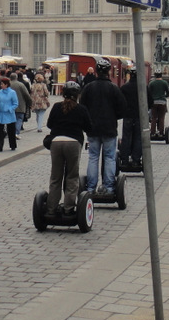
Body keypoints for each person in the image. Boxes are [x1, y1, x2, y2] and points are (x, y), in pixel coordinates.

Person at [79, 57, 127, 194]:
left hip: (93, 128)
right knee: (110, 157)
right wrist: (113, 117)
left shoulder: (88, 88)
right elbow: (123, 109)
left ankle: (91, 188)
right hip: (109, 128)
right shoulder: (114, 88)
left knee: (93, 157)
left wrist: (88, 121)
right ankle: (109, 187)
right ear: (109, 72)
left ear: (95, 71)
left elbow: (82, 107)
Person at [46, 81, 92, 217]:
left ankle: (51, 209)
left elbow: (49, 124)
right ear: (77, 95)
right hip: (73, 143)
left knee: (55, 177)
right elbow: (89, 128)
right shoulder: (81, 109)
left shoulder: (56, 106)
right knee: (72, 176)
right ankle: (68, 208)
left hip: (56, 142)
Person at [119, 66, 142, 168]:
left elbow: (119, 102)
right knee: (138, 138)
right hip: (139, 116)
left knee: (126, 137)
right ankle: (136, 160)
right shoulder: (143, 88)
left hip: (127, 116)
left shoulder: (124, 88)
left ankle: (124, 160)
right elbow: (150, 101)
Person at [0, 77, 19, 152]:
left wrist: (10, 109)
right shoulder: (0, 92)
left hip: (9, 114)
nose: (1, 85)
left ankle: (13, 145)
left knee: (11, 131)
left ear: (6, 84)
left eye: (2, 84)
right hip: (0, 113)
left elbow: (15, 103)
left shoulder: (12, 92)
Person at [9, 72, 32, 138]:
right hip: (20, 105)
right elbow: (26, 94)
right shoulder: (20, 85)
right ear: (16, 78)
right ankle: (16, 133)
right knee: (19, 119)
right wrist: (29, 102)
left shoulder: (8, 84)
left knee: (11, 119)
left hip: (10, 105)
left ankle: (11, 132)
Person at [148, 70, 169, 137]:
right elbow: (168, 93)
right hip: (162, 102)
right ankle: (161, 132)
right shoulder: (164, 83)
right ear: (161, 75)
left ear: (155, 75)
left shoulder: (152, 83)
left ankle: (152, 132)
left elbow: (149, 93)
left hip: (154, 102)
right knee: (161, 118)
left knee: (154, 118)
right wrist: (164, 96)